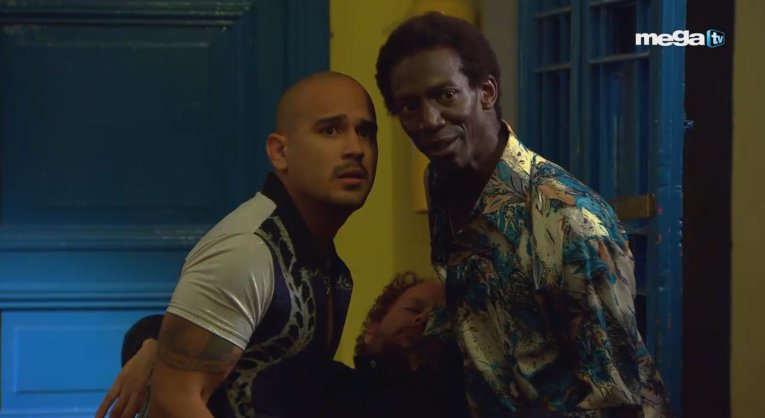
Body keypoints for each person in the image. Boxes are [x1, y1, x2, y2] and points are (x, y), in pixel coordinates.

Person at [375, 12, 672, 418]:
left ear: (486, 92)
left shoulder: (570, 221)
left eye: (446, 95)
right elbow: (484, 313)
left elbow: (616, 400)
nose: (429, 121)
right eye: (410, 107)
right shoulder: (442, 183)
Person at [96, 71, 379, 418]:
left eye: (365, 132)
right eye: (330, 130)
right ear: (280, 152)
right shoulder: (249, 249)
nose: (356, 149)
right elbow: (173, 401)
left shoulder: (327, 266)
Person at [98, 273, 470, 418]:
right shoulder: (317, 379)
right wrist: (155, 346)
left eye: (440, 318)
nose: (424, 320)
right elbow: (168, 332)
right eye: (414, 309)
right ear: (372, 329)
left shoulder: (455, 397)